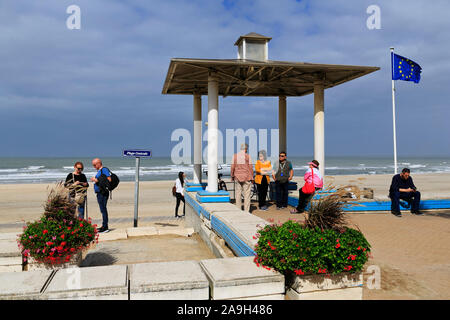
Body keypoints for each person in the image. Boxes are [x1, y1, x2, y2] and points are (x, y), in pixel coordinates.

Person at [90, 158, 112, 233]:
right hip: (99, 192)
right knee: (102, 209)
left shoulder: (104, 170)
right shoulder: (100, 171)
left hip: (103, 192)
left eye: (94, 165)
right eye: (93, 165)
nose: (94, 166)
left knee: (103, 209)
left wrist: (97, 180)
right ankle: (104, 226)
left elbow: (109, 180)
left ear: (99, 163)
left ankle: (105, 227)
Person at [231, 143, 254, 213]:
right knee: (247, 194)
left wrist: (232, 175)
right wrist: (252, 177)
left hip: (237, 176)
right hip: (246, 177)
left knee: (238, 194)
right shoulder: (248, 156)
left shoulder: (235, 156)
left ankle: (238, 210)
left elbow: (232, 167)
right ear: (246, 149)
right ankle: (246, 211)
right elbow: (250, 167)